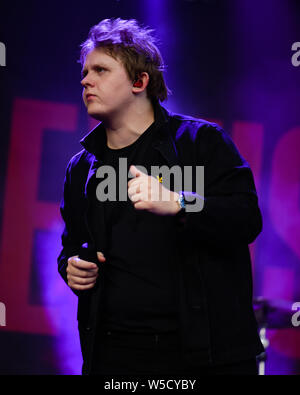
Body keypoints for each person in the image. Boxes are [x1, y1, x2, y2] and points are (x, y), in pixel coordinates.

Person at [57, 17, 264, 376]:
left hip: (201, 354)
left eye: (101, 70)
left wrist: (181, 202)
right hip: (113, 354)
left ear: (140, 81)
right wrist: (71, 267)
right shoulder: (81, 168)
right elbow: (72, 245)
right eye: (86, 71)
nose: (85, 80)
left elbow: (246, 216)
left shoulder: (201, 142)